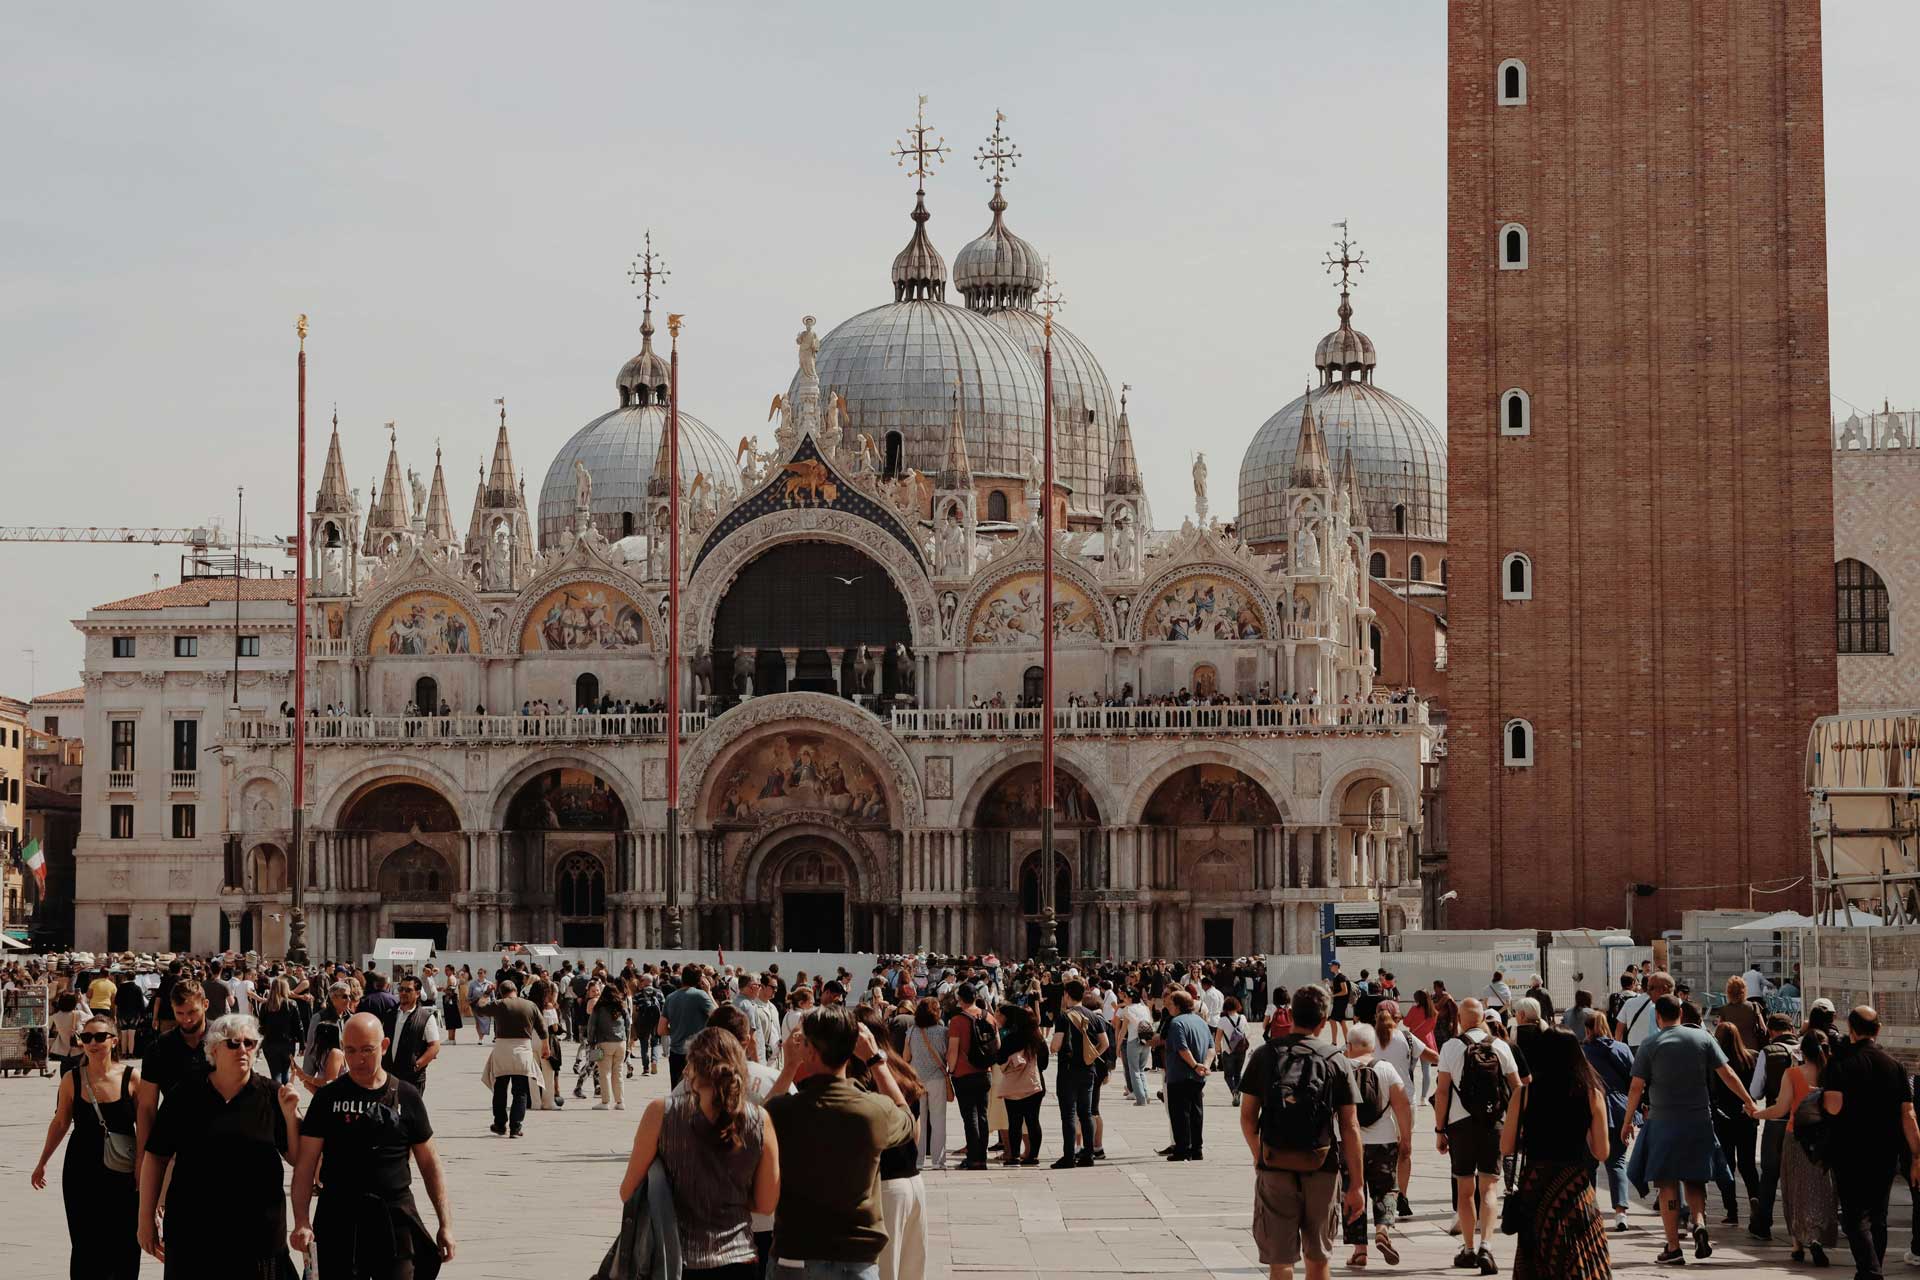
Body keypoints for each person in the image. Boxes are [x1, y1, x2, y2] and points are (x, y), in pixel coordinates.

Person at [291, 1013, 455, 1279]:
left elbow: (430, 1164)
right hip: (338, 1216)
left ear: (385, 1046)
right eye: (351, 1050)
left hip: (395, 1216)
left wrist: (445, 1224)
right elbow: (305, 1164)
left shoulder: (407, 1096)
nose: (358, 1059)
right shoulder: (327, 1099)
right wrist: (301, 1221)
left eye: (368, 1050)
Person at [138, 1013, 301, 1277]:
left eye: (250, 1043)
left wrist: (291, 1115)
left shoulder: (272, 1094)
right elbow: (156, 1156)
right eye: (233, 1043)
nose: (243, 1049)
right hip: (194, 1232)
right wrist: (145, 1219)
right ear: (214, 1048)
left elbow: (295, 1156)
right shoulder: (187, 1093)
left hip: (257, 1233)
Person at [764, 1006, 915, 1279]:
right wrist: (875, 1060)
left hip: (796, 1251)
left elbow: (755, 1126)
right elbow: (906, 1118)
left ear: (808, 1050)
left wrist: (788, 1068)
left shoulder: (783, 1112)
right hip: (854, 1256)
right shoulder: (873, 1110)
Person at [619, 1026, 779, 1280]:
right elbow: (767, 1203)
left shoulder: (661, 1113)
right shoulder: (760, 1120)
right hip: (739, 1259)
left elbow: (628, 1191)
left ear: (692, 1065)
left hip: (676, 1260)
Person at [1620, 994, 1758, 1265]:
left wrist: (1627, 1121)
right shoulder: (1703, 1039)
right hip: (1699, 1120)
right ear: (1681, 1014)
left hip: (1663, 1123)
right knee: (1695, 1179)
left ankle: (1673, 1247)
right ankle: (1698, 1222)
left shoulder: (1650, 1044)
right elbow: (1728, 1074)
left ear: (1658, 1017)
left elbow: (1636, 1087)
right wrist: (1749, 1101)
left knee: (1668, 1183)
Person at [1239, 984, 1365, 1280]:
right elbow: (1350, 1126)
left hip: (1275, 1164)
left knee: (1280, 1261)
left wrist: (1260, 1155)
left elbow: (1247, 1118)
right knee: (1318, 1259)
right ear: (1324, 1021)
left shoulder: (1265, 1055)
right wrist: (1356, 1184)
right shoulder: (1336, 1060)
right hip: (1322, 1165)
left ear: (1291, 1014)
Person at [30, 1013, 141, 1279]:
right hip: (82, 1168)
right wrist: (42, 1162)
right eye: (87, 1037)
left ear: (114, 1041)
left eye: (100, 1037)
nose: (93, 1043)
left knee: (125, 1239)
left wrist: (146, 1167)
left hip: (123, 1169)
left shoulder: (132, 1077)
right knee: (84, 1242)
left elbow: (146, 1126)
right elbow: (60, 1123)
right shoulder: (72, 1079)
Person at [1502, 1025, 1612, 1280]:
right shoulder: (1591, 1093)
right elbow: (1602, 1151)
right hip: (1574, 1186)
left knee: (1537, 1253)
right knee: (1580, 1251)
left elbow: (1506, 1147)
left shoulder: (1525, 1093)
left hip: (1537, 1184)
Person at [1817, 1005, 1920, 1278]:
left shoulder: (1839, 1064)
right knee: (1878, 1216)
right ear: (1879, 1029)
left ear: (1850, 1030)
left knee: (1852, 1217)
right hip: (1886, 1152)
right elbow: (1908, 1114)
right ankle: (1871, 1269)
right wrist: (1917, 1157)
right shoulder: (1895, 1067)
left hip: (1849, 1150)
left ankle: (1871, 1270)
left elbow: (1833, 1107)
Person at [1433, 996, 1522, 1274]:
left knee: (1465, 1189)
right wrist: (1514, 1122)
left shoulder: (1450, 1047)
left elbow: (1443, 1091)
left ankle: (1469, 1249)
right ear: (1483, 1018)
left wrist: (1439, 1129)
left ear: (1459, 1018)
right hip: (1493, 1124)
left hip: (1460, 1125)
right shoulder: (1500, 1046)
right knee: (1489, 1188)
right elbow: (1518, 1087)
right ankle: (1487, 1246)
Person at [1753, 1026, 1837, 1265]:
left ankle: (1797, 1243)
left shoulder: (1792, 1074)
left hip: (1796, 1135)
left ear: (1803, 1052)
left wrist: (1756, 1114)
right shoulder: (1832, 1074)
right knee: (1821, 1188)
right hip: (1824, 1138)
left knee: (1794, 1188)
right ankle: (1818, 1238)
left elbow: (1780, 1109)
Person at [1341, 1024, 1412, 1268]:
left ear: (1349, 1046)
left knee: (1351, 1191)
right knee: (1385, 1188)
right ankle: (1382, 1228)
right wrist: (1406, 1139)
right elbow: (1402, 1105)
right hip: (1383, 1140)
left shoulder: (1341, 1068)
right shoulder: (1386, 1069)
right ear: (1373, 1046)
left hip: (1349, 1143)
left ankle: (1360, 1251)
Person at [134, 979, 212, 1168]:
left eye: (192, 1012)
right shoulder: (159, 1048)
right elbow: (146, 1107)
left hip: (218, 1135)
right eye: (180, 1013)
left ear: (205, 1004)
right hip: (174, 1139)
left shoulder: (225, 1041)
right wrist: (141, 1157)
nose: (186, 1019)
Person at [1746, 1011, 1801, 1243]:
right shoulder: (1804, 1050)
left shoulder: (1768, 1052)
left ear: (1771, 1031)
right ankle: (1803, 1226)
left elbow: (1755, 1091)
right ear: (1792, 1029)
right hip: (1801, 1121)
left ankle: (1763, 1224)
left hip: (1776, 1119)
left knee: (1769, 1174)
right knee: (1800, 1175)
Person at [1581, 1008, 1635, 1232]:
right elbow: (1634, 1080)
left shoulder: (1581, 1052)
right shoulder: (1621, 1049)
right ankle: (1621, 1212)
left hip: (1591, 1107)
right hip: (1620, 1107)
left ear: (1587, 1029)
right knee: (1617, 1163)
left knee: (1589, 1164)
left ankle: (1589, 1210)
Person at [1047, 978, 1108, 1168]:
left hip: (1068, 1071)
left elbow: (1056, 1045)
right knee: (1086, 1112)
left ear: (1066, 995)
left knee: (1069, 1114)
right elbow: (1105, 1043)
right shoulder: (1094, 1016)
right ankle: (1088, 1155)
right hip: (1088, 1070)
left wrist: (1052, 1048)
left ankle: (1068, 1156)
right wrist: (1090, 1056)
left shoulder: (1065, 1017)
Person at [474, 979, 547, 1137]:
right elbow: (542, 1028)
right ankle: (516, 1127)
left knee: (500, 1089)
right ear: (516, 990)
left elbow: (479, 1008)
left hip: (502, 1050)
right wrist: (546, 1046)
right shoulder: (530, 1005)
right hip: (523, 1050)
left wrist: (486, 993)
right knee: (520, 1091)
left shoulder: (499, 1004)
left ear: (501, 992)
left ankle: (500, 1124)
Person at [1708, 1020, 1760, 1228]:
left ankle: (1731, 1210)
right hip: (1746, 1116)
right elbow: (1757, 1089)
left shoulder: (1715, 1062)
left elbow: (1710, 1089)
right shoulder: (1752, 1057)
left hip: (1723, 1117)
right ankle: (1755, 1199)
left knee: (1727, 1164)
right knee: (1748, 1165)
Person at [1161, 988, 1215, 1162]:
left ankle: (1182, 1149)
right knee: (1196, 1113)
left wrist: (1194, 1065)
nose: (1168, 1007)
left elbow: (1182, 1048)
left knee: (1180, 1113)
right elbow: (1211, 1048)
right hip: (1198, 1076)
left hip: (1180, 1074)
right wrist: (1204, 1065)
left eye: (1170, 1004)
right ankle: (1196, 1149)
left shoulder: (1176, 1023)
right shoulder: (1201, 1022)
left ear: (1177, 1005)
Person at [946, 982, 994, 1170]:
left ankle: (973, 1158)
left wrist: (951, 1069)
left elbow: (953, 1049)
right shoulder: (988, 1017)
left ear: (960, 999)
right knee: (982, 1115)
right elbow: (996, 1043)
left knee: (970, 1117)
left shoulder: (957, 1021)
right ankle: (982, 1157)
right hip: (985, 1072)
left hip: (964, 1073)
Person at [994, 1004, 1047, 1166]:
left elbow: (1000, 1059)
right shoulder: (1038, 1039)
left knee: (1014, 1122)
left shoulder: (1011, 1038)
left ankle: (1014, 1156)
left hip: (1013, 1086)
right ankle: (1033, 1156)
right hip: (1034, 1084)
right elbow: (1044, 1063)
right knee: (1033, 1121)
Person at [904, 997, 950, 1171]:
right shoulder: (943, 1032)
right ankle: (938, 1161)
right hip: (937, 1078)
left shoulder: (912, 1032)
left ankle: (918, 1159)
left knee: (919, 1120)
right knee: (938, 1120)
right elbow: (947, 1055)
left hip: (917, 1079)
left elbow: (906, 1057)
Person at [663, 964, 718, 1088]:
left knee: (677, 1092)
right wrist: (709, 992)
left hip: (676, 1052)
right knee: (698, 1091)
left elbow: (661, 1029)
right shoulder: (700, 995)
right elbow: (718, 1016)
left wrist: (676, 1031)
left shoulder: (670, 998)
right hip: (698, 1052)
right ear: (699, 980)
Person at [587, 976, 631, 1110]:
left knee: (604, 1072)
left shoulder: (599, 1007)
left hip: (604, 1042)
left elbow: (591, 1026)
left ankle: (605, 1101)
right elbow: (628, 1024)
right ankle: (620, 1102)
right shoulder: (621, 1006)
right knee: (618, 1072)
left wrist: (591, 1041)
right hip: (621, 1042)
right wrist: (628, 1041)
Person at [1612, 969, 1673, 1049]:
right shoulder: (1660, 1003)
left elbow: (1619, 1028)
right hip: (1655, 1046)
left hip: (1633, 1046)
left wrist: (1618, 1047)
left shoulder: (1630, 1002)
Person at [1215, 995, 1252, 1107]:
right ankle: (1237, 1090)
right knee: (1237, 1074)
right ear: (1237, 1006)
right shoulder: (1243, 1018)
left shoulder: (1222, 1020)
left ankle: (1234, 1092)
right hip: (1241, 1050)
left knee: (1228, 1076)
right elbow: (1249, 1033)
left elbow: (1218, 1037)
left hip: (1228, 1050)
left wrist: (1217, 1050)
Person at [1717, 975, 1764, 1054]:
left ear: (1728, 992)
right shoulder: (1754, 1007)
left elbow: (1720, 1031)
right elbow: (1763, 1028)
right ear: (1744, 990)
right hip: (1752, 1048)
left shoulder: (1724, 1010)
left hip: (1732, 1050)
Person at [1326, 962, 1351, 1044]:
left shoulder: (1341, 977)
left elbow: (1345, 991)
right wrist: (1329, 985)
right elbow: (1338, 990)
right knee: (1342, 1021)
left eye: (1331, 966)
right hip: (1340, 1002)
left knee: (1332, 1020)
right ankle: (1347, 1042)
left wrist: (1334, 995)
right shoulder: (1337, 977)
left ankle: (1334, 1043)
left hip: (1340, 1003)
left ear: (1336, 966)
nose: (1330, 967)